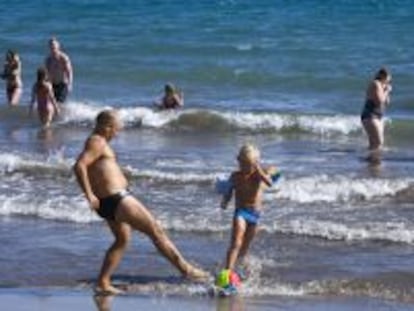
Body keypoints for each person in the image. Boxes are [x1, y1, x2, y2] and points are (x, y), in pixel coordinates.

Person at [74, 109, 208, 295]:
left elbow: (98, 170)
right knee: (156, 230)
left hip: (109, 202)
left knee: (122, 240)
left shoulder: (99, 142)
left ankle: (103, 282)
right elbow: (79, 165)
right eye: (116, 129)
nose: (118, 133)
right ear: (107, 127)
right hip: (117, 199)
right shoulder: (97, 141)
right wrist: (89, 195)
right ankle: (187, 271)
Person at [220, 144, 277, 274]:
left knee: (245, 247)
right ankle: (227, 272)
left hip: (255, 215)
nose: (246, 168)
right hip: (241, 212)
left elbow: (270, 183)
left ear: (255, 164)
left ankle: (238, 270)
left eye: (249, 165)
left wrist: (259, 171)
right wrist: (225, 201)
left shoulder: (257, 175)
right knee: (236, 243)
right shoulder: (235, 176)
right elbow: (229, 191)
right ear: (239, 161)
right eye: (243, 164)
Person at [361, 67, 392, 152]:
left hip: (378, 116)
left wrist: (386, 90)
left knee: (374, 143)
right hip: (370, 116)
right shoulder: (376, 84)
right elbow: (380, 101)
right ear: (383, 77)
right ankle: (374, 161)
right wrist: (387, 91)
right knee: (378, 142)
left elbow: (387, 102)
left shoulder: (381, 86)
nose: (388, 82)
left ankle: (371, 162)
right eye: (387, 80)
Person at [45, 37, 73, 103]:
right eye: (51, 46)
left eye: (54, 46)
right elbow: (47, 73)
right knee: (52, 103)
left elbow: (69, 71)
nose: (52, 48)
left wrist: (70, 84)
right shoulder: (48, 59)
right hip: (52, 84)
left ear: (58, 46)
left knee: (60, 102)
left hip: (62, 84)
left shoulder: (63, 58)